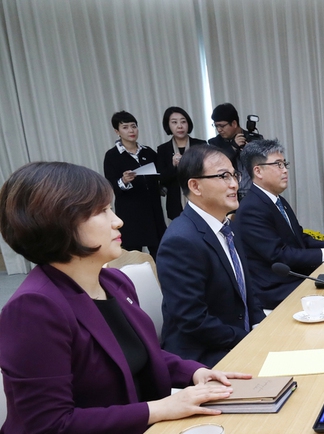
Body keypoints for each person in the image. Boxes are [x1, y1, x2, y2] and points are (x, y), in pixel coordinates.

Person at [0, 161, 247, 434]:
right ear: (58, 222)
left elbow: (141, 354)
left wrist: (197, 373)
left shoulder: (113, 283)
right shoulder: (34, 308)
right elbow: (52, 425)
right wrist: (160, 409)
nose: (118, 221)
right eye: (101, 212)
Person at [156, 145, 265, 367]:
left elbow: (247, 293)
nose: (234, 184)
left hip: (232, 341)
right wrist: (250, 341)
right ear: (195, 186)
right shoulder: (181, 241)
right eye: (223, 176)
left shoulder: (226, 227)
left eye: (235, 174)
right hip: (202, 358)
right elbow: (194, 321)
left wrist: (263, 329)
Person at [234, 139, 324, 309]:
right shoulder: (251, 208)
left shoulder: (277, 200)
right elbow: (279, 255)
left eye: (284, 164)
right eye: (278, 165)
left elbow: (299, 237)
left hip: (294, 278)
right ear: (258, 171)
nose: (285, 171)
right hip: (276, 288)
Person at [102, 111, 166, 257]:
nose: (131, 130)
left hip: (152, 211)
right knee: (133, 256)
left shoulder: (148, 152)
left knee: (160, 253)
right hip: (130, 213)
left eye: (134, 126)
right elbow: (111, 185)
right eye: (125, 127)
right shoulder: (112, 156)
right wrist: (123, 181)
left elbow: (160, 176)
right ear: (117, 131)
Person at [156, 106, 206, 220]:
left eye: (183, 121)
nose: (180, 126)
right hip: (176, 204)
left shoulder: (200, 145)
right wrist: (174, 166)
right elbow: (162, 179)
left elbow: (207, 171)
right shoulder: (163, 150)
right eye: (174, 122)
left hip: (201, 198)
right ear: (168, 125)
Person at [208, 103, 253, 199]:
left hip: (253, 193)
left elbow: (263, 164)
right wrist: (233, 147)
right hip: (229, 195)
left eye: (222, 126)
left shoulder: (253, 138)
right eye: (216, 126)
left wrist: (252, 151)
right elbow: (216, 164)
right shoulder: (215, 143)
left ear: (234, 123)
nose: (219, 130)